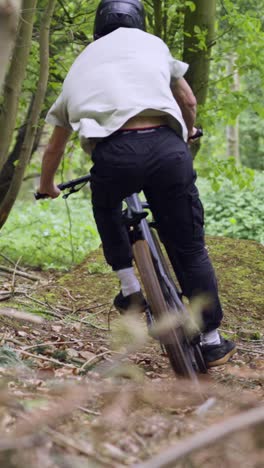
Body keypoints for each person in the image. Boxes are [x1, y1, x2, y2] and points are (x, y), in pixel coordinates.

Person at [38, 0, 236, 367]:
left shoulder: (81, 63)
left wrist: (47, 185)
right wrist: (189, 132)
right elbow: (188, 99)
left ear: (99, 27)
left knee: (105, 204)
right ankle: (211, 338)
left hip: (114, 154)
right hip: (167, 152)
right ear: (139, 21)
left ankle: (130, 288)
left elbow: (54, 147)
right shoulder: (153, 45)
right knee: (191, 248)